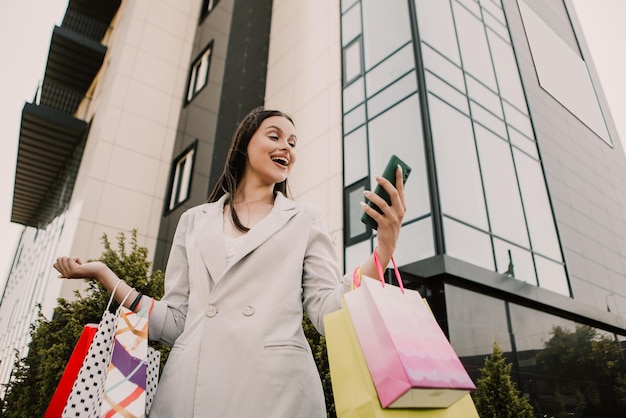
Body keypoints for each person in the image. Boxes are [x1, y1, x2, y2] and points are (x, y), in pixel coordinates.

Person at [54, 107, 407, 417]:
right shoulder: (193, 220)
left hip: (275, 393)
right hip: (189, 392)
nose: (287, 147)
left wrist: (384, 250)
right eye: (275, 136)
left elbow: (328, 314)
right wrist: (105, 276)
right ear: (245, 144)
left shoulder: (305, 219)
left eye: (294, 142)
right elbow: (177, 321)